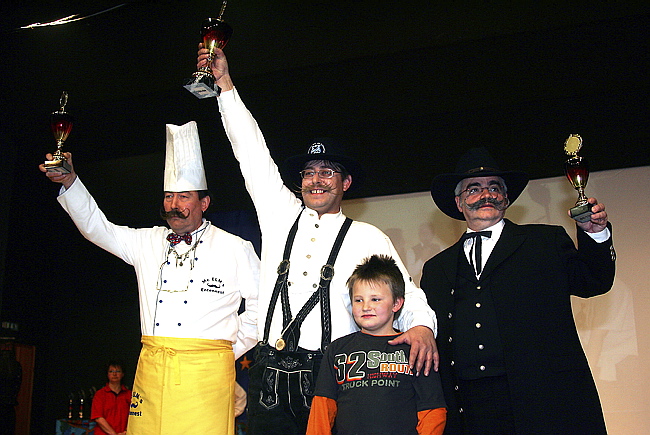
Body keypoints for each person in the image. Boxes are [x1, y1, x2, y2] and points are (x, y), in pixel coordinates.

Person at [197, 47, 438, 434]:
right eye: (309, 172)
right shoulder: (279, 215)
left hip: (334, 377)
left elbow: (405, 293)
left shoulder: (367, 237)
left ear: (346, 183)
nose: (316, 180)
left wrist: (423, 327)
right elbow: (251, 152)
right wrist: (225, 86)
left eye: (328, 172)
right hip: (268, 375)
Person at [39, 121, 260, 434]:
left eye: (184, 197)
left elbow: (263, 307)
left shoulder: (235, 248)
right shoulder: (147, 241)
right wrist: (70, 182)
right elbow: (97, 229)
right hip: (152, 370)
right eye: (169, 196)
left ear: (204, 203)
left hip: (207, 374)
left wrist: (226, 350)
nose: (174, 205)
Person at [420, 147, 616, 435]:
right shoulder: (437, 268)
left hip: (542, 400)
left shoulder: (545, 242)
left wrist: (595, 233)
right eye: (474, 189)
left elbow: (594, 281)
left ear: (506, 198)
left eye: (494, 187)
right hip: (470, 407)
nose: (486, 194)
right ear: (459, 202)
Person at [307, 255, 447, 435]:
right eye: (358, 300)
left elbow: (433, 410)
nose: (366, 306)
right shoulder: (336, 350)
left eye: (375, 299)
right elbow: (322, 407)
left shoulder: (415, 349)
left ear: (396, 303)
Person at [91, 361, 131, 435]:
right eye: (111, 371)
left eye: (118, 371)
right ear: (107, 374)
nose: (114, 374)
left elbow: (134, 416)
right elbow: (98, 418)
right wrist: (114, 434)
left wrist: (126, 431)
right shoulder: (100, 394)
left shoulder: (129, 394)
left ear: (123, 374)